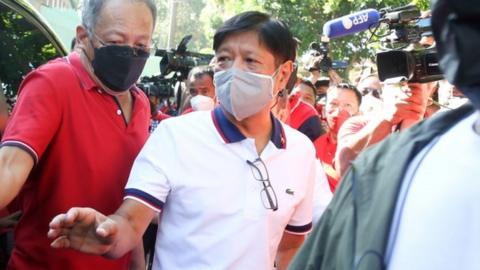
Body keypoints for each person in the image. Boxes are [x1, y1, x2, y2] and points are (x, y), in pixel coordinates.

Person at [48, 11, 317, 270]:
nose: (233, 71)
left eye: (250, 61)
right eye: (224, 59)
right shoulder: (175, 136)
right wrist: (107, 234)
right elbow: (130, 222)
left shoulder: (299, 151)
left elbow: (290, 247)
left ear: (282, 74)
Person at [289, 0, 480, 269]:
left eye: (425, 60)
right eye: (404, 68)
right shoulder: (359, 125)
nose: (412, 78)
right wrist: (389, 117)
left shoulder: (451, 127)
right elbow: (346, 164)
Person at [0, 0, 156, 269]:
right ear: (84, 36)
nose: (130, 54)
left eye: (141, 46)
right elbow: (9, 167)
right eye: (117, 42)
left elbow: (133, 203)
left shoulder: (140, 103)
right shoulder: (52, 82)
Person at [313, 83, 361, 192]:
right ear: (324, 111)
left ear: (358, 113)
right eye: (334, 104)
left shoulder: (367, 147)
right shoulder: (317, 145)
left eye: (348, 105)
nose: (339, 110)